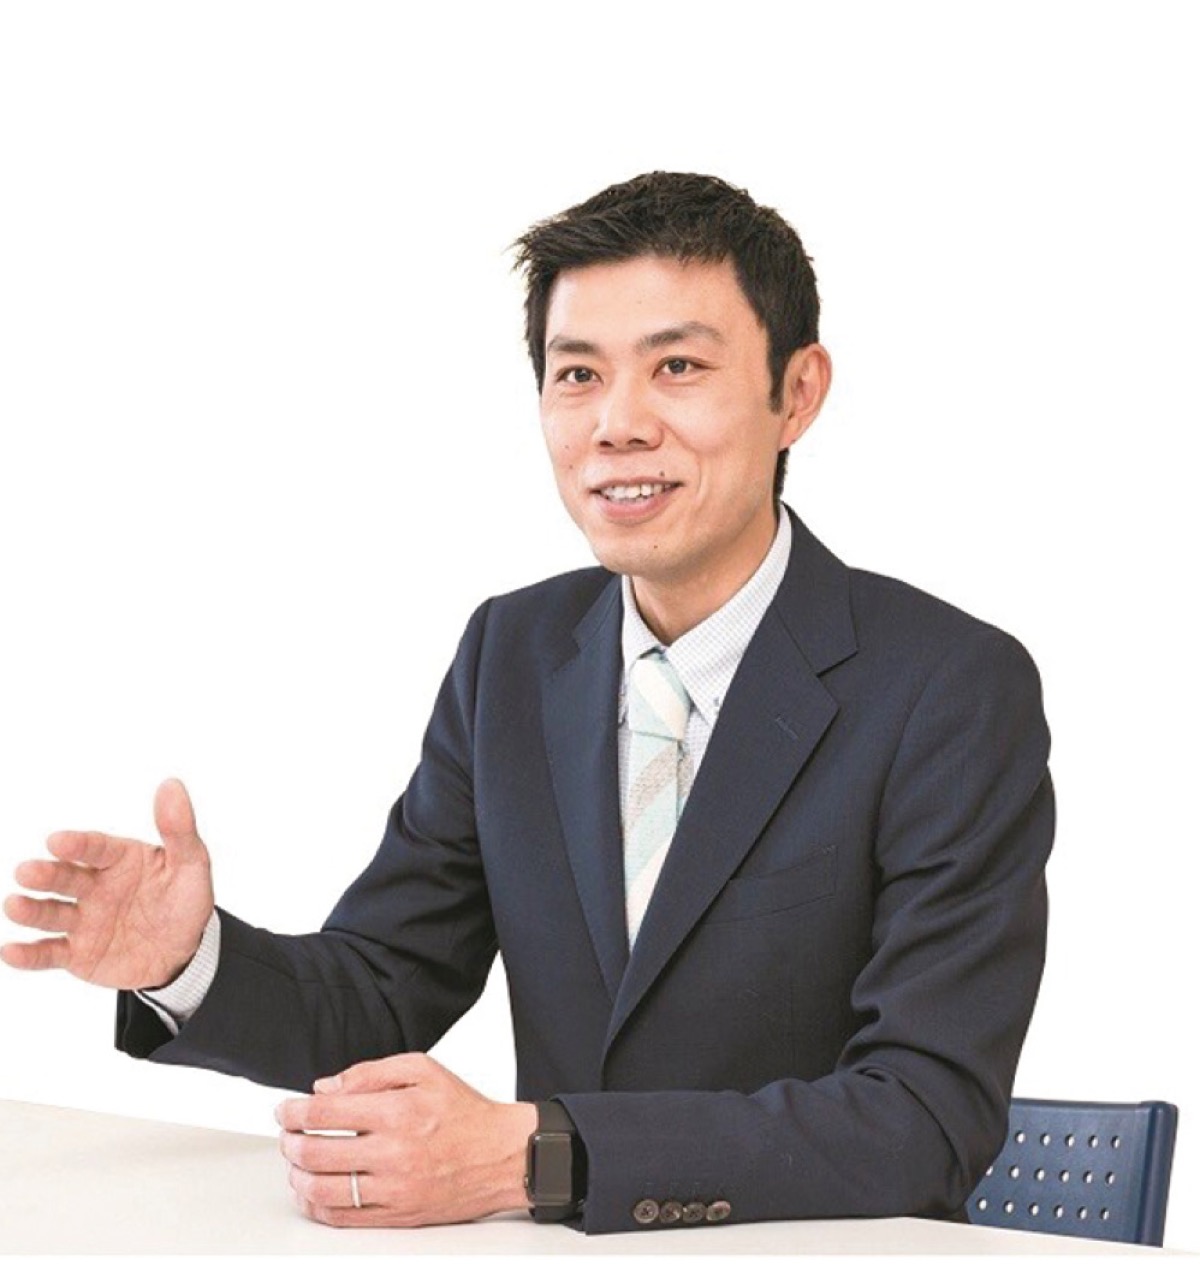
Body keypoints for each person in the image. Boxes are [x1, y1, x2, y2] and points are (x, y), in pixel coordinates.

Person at [1, 172, 1054, 1235]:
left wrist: (539, 1156)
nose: (618, 425)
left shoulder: (948, 690)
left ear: (798, 392)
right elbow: (383, 990)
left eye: (678, 367)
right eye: (578, 374)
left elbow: (924, 1118)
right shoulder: (514, 655)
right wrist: (187, 962)